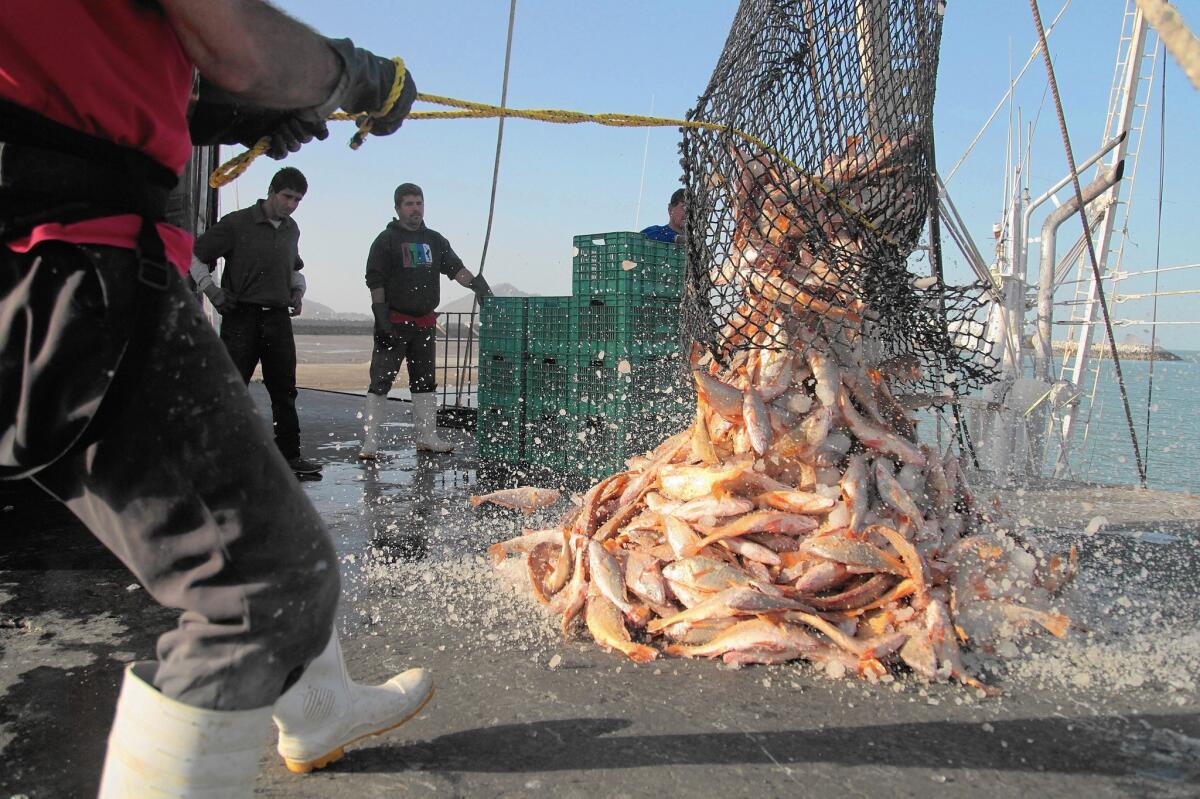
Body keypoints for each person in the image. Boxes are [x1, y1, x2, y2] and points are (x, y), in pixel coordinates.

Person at [0, 2, 434, 795]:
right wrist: (355, 77)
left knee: (253, 494)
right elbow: (234, 37)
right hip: (67, 257)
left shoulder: (292, 236)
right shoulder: (243, 221)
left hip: (56, 246)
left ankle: (317, 704)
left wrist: (213, 112)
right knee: (267, 586)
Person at [192, 166, 321, 476]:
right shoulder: (236, 223)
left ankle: (289, 456)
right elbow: (194, 256)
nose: (291, 205)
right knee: (232, 389)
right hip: (241, 318)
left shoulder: (292, 229)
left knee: (285, 391)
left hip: (277, 318)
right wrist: (211, 290)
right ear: (272, 192)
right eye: (287, 197)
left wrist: (298, 291)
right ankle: (219, 457)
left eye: (298, 200)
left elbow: (293, 270)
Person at [358, 183, 493, 458]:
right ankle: (370, 441)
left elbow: (455, 268)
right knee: (381, 380)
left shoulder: (435, 240)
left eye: (419, 203)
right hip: (393, 321)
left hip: (424, 324)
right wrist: (380, 316)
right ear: (397, 208)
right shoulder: (386, 240)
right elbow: (376, 280)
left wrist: (476, 284)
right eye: (409, 204)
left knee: (425, 382)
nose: (415, 208)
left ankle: (427, 436)